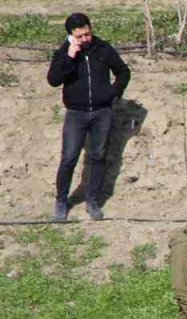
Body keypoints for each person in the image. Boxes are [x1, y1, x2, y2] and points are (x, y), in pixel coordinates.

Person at [47, 12, 130, 222]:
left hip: (102, 112)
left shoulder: (103, 48)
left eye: (88, 34)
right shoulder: (63, 53)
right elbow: (53, 80)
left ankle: (92, 200)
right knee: (69, 158)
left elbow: (123, 72)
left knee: (98, 156)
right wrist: (70, 57)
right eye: (80, 36)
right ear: (71, 36)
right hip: (76, 114)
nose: (85, 39)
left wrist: (113, 93)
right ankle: (61, 201)